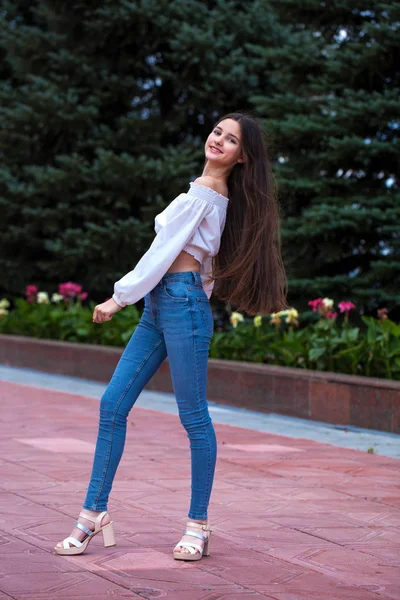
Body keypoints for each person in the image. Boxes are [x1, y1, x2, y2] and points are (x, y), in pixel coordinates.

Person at [54, 112, 287, 561]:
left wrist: (119, 298)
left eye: (231, 139)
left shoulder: (207, 192)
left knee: (194, 418)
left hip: (180, 308)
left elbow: (162, 253)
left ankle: (198, 526)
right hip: (163, 306)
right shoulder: (205, 193)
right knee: (112, 405)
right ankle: (91, 515)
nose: (218, 139)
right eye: (217, 131)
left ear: (243, 157)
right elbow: (204, 260)